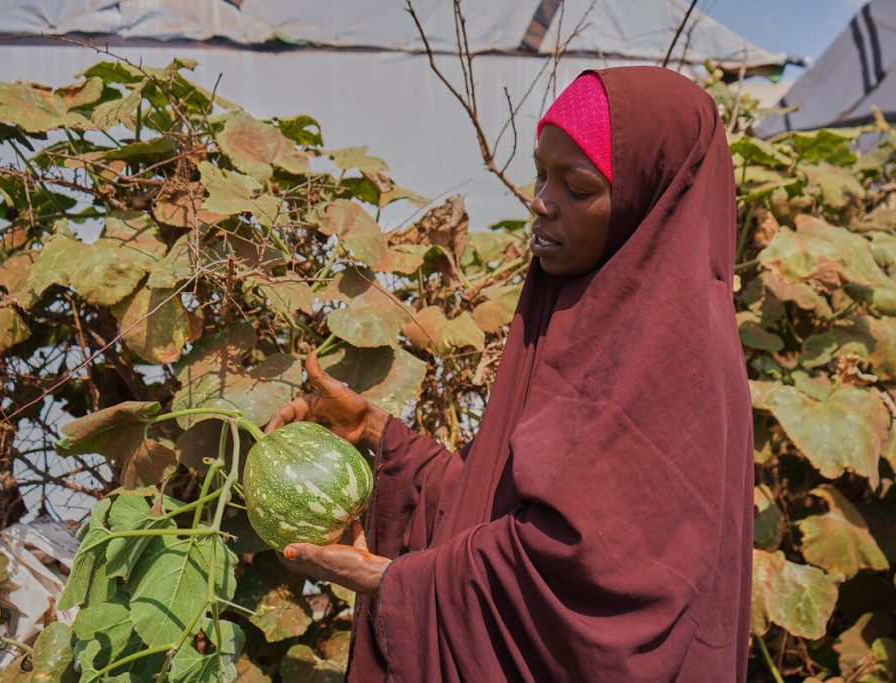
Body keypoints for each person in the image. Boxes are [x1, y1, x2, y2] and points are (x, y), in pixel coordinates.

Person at [265, 66, 753, 682]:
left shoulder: (678, 362)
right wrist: (381, 437)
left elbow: (601, 587)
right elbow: (500, 504)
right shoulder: (576, 307)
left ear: (648, 202)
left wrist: (402, 583)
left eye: (576, 187)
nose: (541, 202)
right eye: (541, 173)